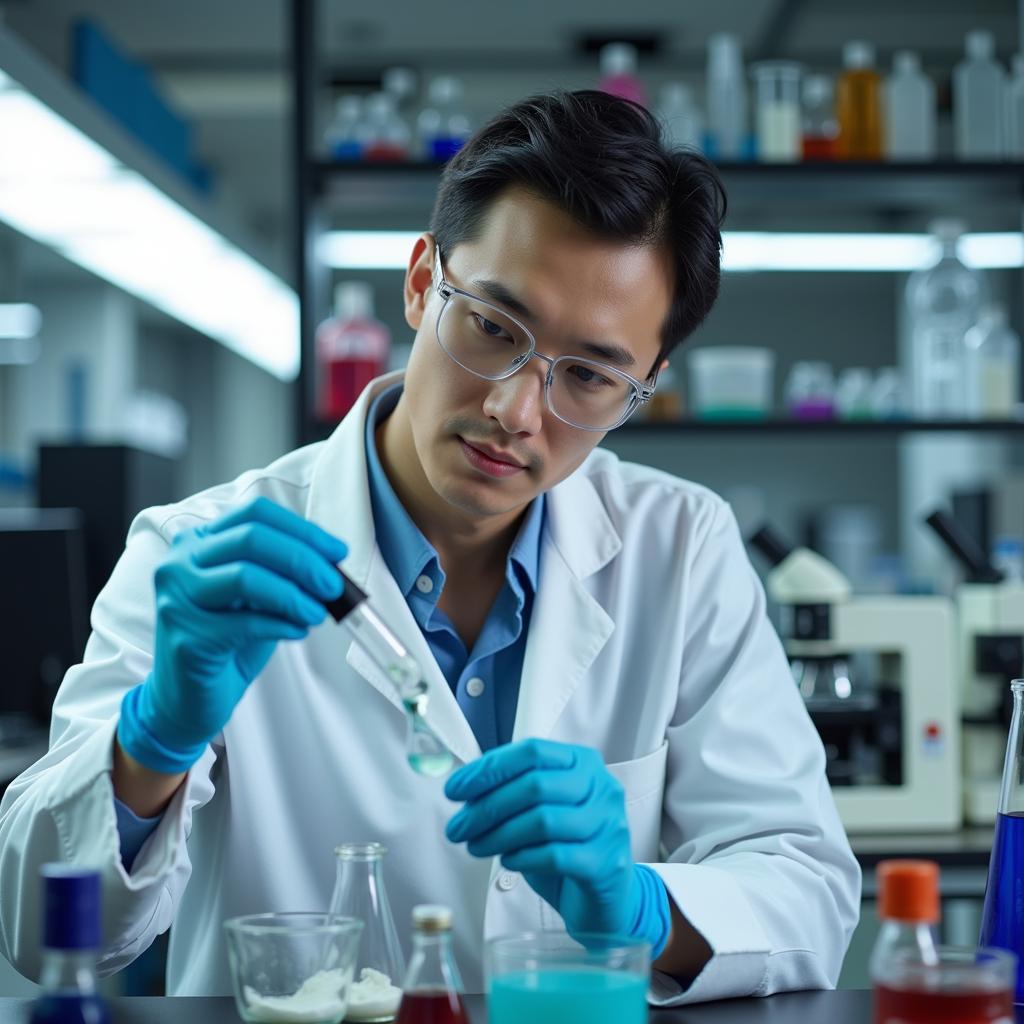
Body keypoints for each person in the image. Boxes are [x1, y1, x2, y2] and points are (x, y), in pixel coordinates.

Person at [0, 90, 859, 1005]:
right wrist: (154, 738)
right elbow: (43, 932)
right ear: (421, 281)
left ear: (646, 385)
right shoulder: (199, 549)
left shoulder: (681, 546)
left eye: (591, 376)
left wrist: (642, 905)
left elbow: (807, 888)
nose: (516, 411)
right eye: (492, 327)